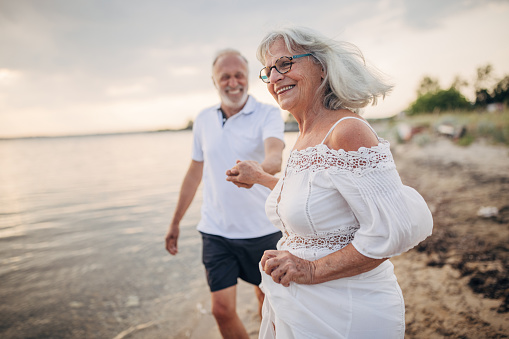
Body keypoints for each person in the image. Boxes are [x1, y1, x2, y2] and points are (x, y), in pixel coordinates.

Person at [226, 27, 433, 338]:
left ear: (321, 65)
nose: (275, 77)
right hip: (303, 309)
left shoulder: (347, 131)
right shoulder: (305, 137)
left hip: (348, 312)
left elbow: (394, 229)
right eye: (268, 70)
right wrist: (260, 178)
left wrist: (309, 269)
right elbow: (313, 197)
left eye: (285, 63)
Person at [164, 48, 285, 339]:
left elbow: (275, 158)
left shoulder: (267, 113)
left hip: (263, 230)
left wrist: (256, 171)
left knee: (268, 302)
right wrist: (175, 221)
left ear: (248, 78)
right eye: (225, 77)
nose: (233, 83)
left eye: (239, 75)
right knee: (220, 310)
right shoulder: (203, 119)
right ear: (214, 80)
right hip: (215, 231)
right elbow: (194, 172)